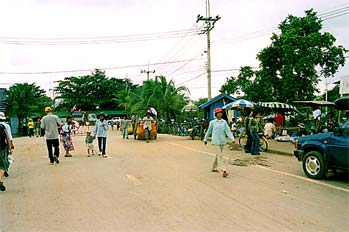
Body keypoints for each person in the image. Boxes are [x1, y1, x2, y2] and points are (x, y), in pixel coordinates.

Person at [204, 108, 235, 178]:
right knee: (220, 156)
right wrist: (205, 139)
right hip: (215, 141)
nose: (220, 114)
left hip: (222, 141)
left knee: (217, 155)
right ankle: (224, 170)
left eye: (221, 113)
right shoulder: (212, 122)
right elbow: (209, 131)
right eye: (218, 113)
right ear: (215, 114)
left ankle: (213, 168)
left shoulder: (224, 122)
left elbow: (228, 131)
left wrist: (232, 139)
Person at [0, 112, 14, 179]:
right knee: (4, 159)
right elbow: (9, 137)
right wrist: (11, 146)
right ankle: (3, 170)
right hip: (3, 145)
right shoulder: (6, 126)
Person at [0, 124, 13, 191]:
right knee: (3, 165)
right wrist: (10, 147)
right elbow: (8, 137)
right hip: (2, 148)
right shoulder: (2, 127)